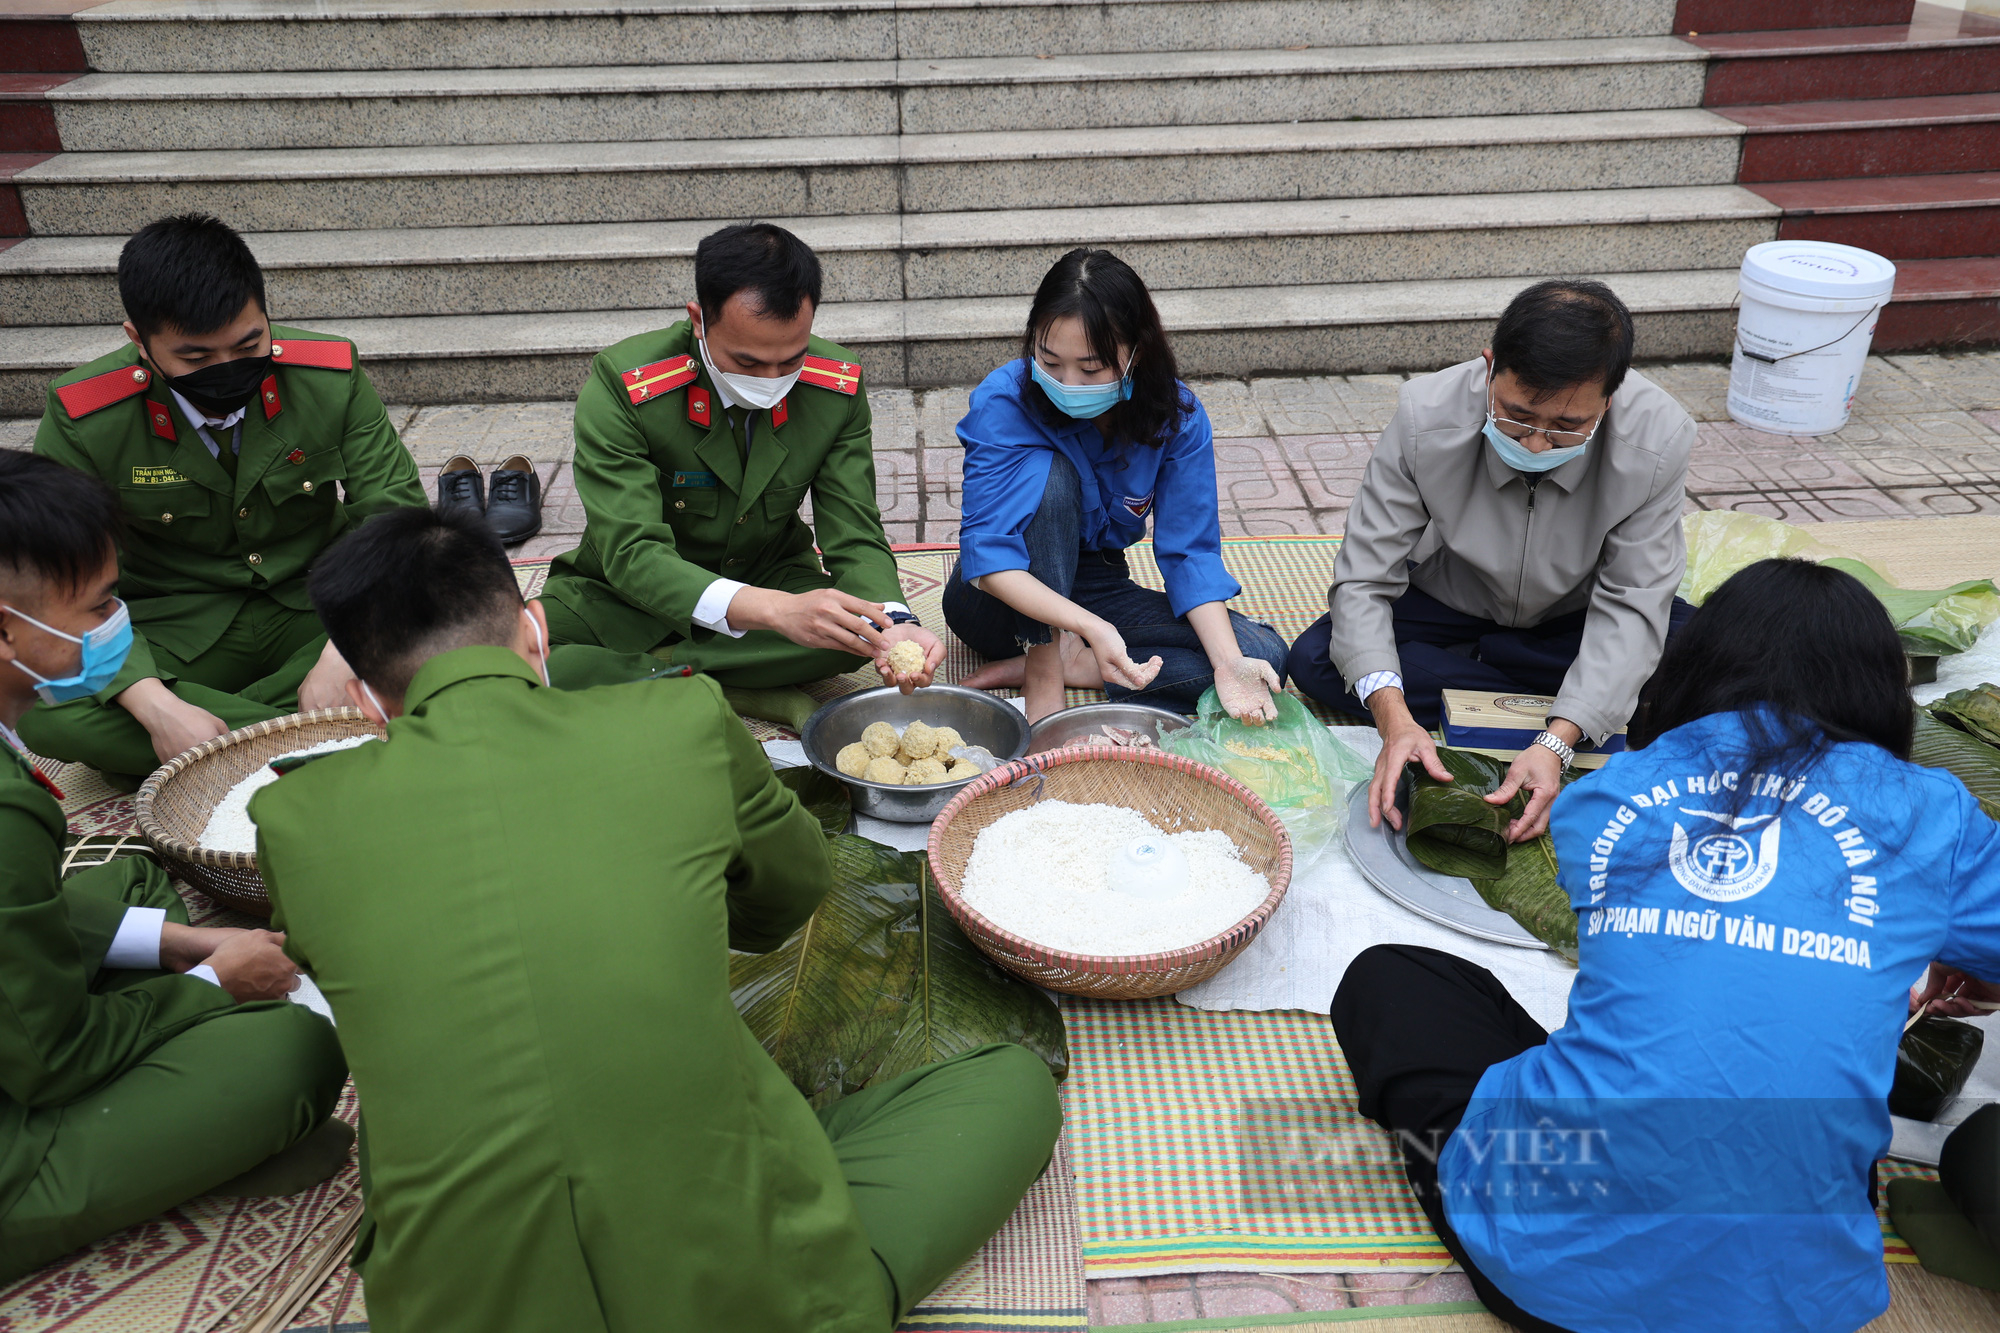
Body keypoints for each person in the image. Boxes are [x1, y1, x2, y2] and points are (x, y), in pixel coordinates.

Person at [252, 506, 1061, 1333]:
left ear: (364, 700)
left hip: (455, 1303)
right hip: (747, 1295)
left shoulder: (293, 818)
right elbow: (789, 892)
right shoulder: (677, 720)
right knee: (1009, 1086)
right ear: (535, 630)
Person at [1329, 557, 2000, 1333]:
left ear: (1695, 664)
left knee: (1391, 977)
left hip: (1551, 1282)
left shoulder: (1615, 792)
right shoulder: (1933, 815)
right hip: (1791, 1308)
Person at [0, 452, 348, 1283]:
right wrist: (210, 982)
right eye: (96, 607)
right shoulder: (7, 819)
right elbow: (49, 1056)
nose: (117, 624)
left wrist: (177, 944)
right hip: (17, 1129)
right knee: (292, 1052)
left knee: (128, 886)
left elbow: (26, 913)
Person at [20, 213, 425, 787]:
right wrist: (154, 704)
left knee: (449, 611)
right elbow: (61, 578)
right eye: (196, 358)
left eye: (248, 343)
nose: (228, 369)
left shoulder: (328, 374)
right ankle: (343, 732)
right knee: (43, 702)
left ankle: (222, 745)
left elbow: (397, 517)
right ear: (140, 340)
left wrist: (348, 650)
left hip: (320, 611)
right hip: (175, 635)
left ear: (265, 314)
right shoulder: (87, 416)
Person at [1288, 279, 1695, 844]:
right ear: (1489, 367)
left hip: (1578, 610)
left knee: (1703, 655)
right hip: (1453, 596)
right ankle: (1556, 689)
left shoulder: (1660, 439)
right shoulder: (1423, 415)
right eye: (1517, 416)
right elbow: (1364, 578)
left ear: (1611, 397)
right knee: (1315, 659)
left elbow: (1631, 605)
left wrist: (1557, 744)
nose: (1535, 444)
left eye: (1567, 427)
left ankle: (1505, 682)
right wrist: (1394, 720)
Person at [541, 222, 941, 714]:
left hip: (768, 572)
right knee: (523, 658)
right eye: (748, 362)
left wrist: (893, 621)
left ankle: (650, 674)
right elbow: (633, 554)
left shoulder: (835, 386)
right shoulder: (625, 387)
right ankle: (731, 683)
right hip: (622, 597)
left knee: (849, 638)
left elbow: (854, 532)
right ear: (698, 319)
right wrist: (777, 612)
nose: (773, 379)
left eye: (791, 359)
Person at [944, 248, 1288, 722]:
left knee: (1260, 656)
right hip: (998, 600)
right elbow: (989, 557)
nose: (1067, 383)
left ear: (1135, 354)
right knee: (1053, 478)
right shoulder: (1003, 402)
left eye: (1091, 369)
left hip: (1098, 586)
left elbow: (1190, 554)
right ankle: (1044, 668)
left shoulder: (1175, 415)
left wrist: (1229, 664)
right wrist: (1089, 625)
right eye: (1049, 361)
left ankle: (1081, 664)